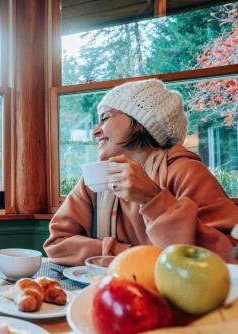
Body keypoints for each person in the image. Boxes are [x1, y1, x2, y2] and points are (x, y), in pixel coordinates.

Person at [44, 79, 238, 264]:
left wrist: (153, 200)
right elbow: (57, 243)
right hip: (111, 292)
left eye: (104, 118)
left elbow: (231, 255)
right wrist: (129, 256)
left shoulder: (185, 172)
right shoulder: (96, 178)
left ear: (139, 122)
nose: (95, 131)